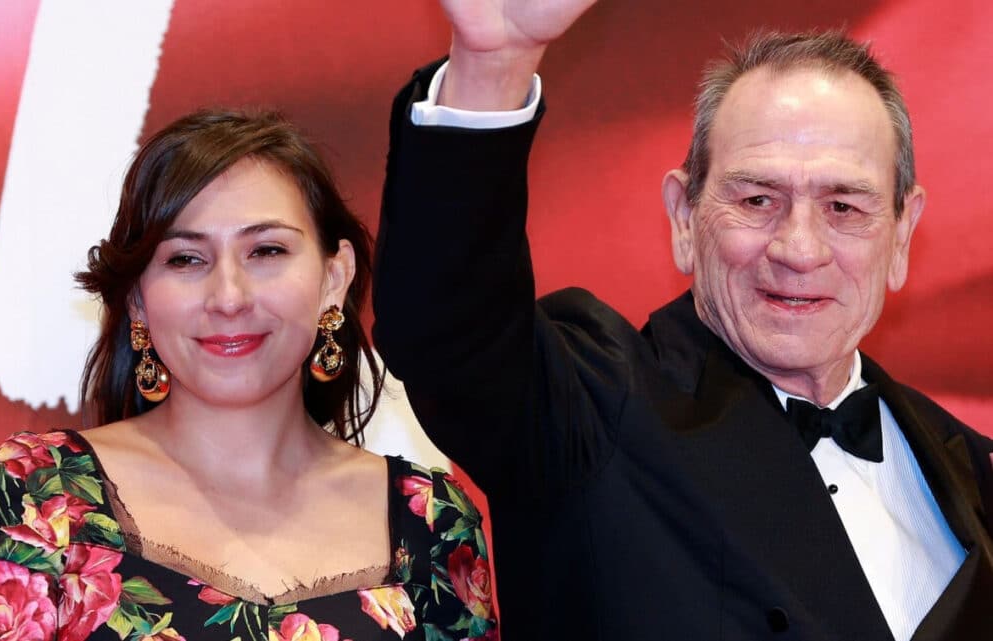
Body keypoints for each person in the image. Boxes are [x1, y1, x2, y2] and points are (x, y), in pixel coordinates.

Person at [372, 1, 993, 639]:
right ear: (685, 219)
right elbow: (450, 329)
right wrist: (492, 67)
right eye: (758, 199)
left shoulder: (972, 466)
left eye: (843, 207)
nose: (800, 249)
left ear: (901, 235)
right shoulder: (593, 412)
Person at [0, 110, 497, 641]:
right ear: (137, 299)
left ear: (334, 277)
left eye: (266, 251)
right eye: (186, 259)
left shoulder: (432, 521)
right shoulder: (36, 492)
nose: (228, 297)